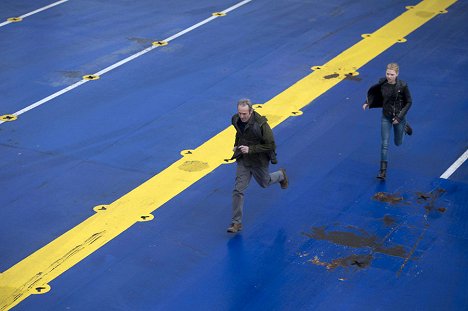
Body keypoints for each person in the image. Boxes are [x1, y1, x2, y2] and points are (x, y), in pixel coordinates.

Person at [227, 98, 288, 233]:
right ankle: (236, 222)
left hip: (259, 161)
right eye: (240, 113)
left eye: (244, 114)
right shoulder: (236, 119)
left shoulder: (261, 125)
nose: (241, 116)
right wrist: (236, 145)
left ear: (251, 111)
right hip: (244, 160)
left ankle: (281, 175)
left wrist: (251, 149)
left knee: (264, 183)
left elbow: (270, 145)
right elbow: (239, 132)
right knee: (238, 190)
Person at [362, 63, 413, 180]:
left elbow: (409, 102)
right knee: (384, 144)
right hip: (386, 116)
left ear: (397, 74)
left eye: (392, 74)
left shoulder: (403, 86)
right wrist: (367, 102)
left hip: (398, 118)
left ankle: (404, 126)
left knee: (398, 143)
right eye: (387, 74)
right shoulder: (382, 83)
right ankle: (383, 172)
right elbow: (376, 94)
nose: (389, 76)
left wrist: (400, 118)